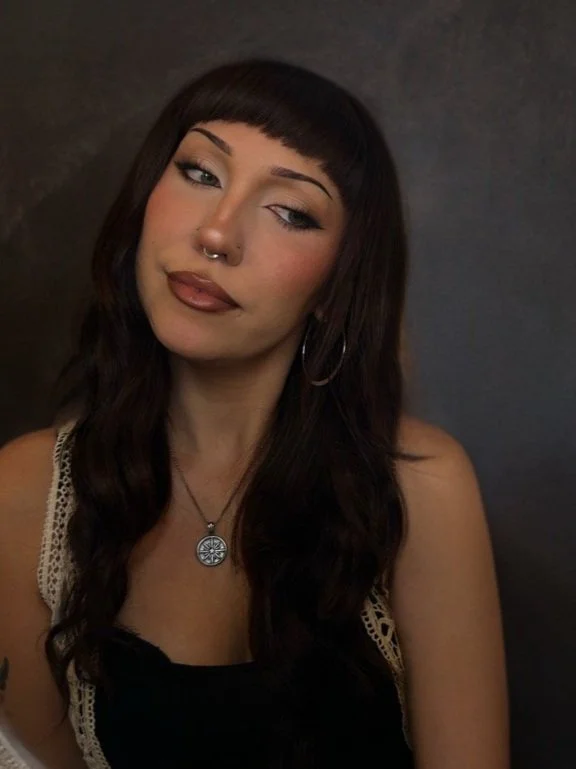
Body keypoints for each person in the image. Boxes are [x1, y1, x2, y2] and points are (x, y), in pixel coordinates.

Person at [0, 57, 509, 769]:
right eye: (200, 172)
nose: (216, 234)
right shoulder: (25, 493)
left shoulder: (419, 486)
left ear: (339, 285)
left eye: (291, 211)